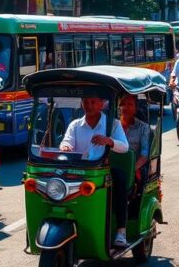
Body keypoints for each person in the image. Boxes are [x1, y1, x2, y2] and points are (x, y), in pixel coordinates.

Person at [60, 96, 129, 247]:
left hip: (102, 171)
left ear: (101, 104)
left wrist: (109, 141)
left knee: (119, 177)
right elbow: (66, 142)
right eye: (85, 102)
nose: (88, 105)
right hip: (78, 170)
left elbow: (125, 147)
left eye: (92, 102)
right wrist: (65, 147)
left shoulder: (113, 124)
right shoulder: (75, 125)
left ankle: (121, 231)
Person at [119, 95, 150, 178]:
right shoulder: (114, 125)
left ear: (135, 109)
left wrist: (132, 169)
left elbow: (144, 155)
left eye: (130, 104)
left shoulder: (143, 127)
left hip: (133, 168)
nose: (125, 107)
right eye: (123, 104)